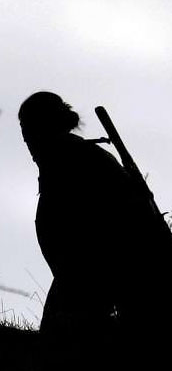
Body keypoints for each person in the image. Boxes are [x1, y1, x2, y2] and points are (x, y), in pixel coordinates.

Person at [18, 92, 172, 369]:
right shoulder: (67, 159)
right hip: (92, 271)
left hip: (104, 269)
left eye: (27, 129)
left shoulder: (73, 160)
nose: (25, 140)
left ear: (42, 126)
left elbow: (121, 221)